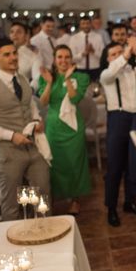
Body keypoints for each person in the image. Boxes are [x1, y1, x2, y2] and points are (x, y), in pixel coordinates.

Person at [0, 38, 50, 221]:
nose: (13, 57)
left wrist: (38, 120)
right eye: (6, 54)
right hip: (8, 151)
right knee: (12, 205)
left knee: (43, 196)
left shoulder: (22, 79)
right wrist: (12, 136)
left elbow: (31, 106)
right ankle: (14, 247)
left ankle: (44, 237)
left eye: (14, 53)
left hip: (33, 146)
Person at [100, 37, 136, 226]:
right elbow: (109, 74)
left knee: (134, 163)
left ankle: (131, 201)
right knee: (115, 166)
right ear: (107, 59)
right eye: (112, 54)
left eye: (119, 52)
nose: (118, 56)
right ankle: (111, 208)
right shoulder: (107, 74)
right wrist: (123, 56)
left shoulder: (135, 70)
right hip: (118, 118)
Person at [38, 45, 91, 215]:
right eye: (60, 57)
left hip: (73, 128)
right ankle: (55, 197)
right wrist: (49, 83)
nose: (63, 60)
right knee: (55, 164)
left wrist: (68, 79)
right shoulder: (46, 77)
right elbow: (43, 102)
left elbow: (75, 99)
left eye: (67, 57)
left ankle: (75, 200)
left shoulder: (81, 77)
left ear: (71, 59)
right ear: (54, 59)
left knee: (75, 164)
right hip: (54, 127)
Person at [69, 16, 104, 81]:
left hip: (95, 68)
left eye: (87, 23)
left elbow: (103, 56)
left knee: (96, 89)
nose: (86, 26)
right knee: (81, 90)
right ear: (80, 25)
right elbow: (72, 58)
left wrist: (93, 51)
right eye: (83, 23)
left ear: (91, 24)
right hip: (80, 69)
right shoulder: (74, 38)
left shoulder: (98, 37)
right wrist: (83, 53)